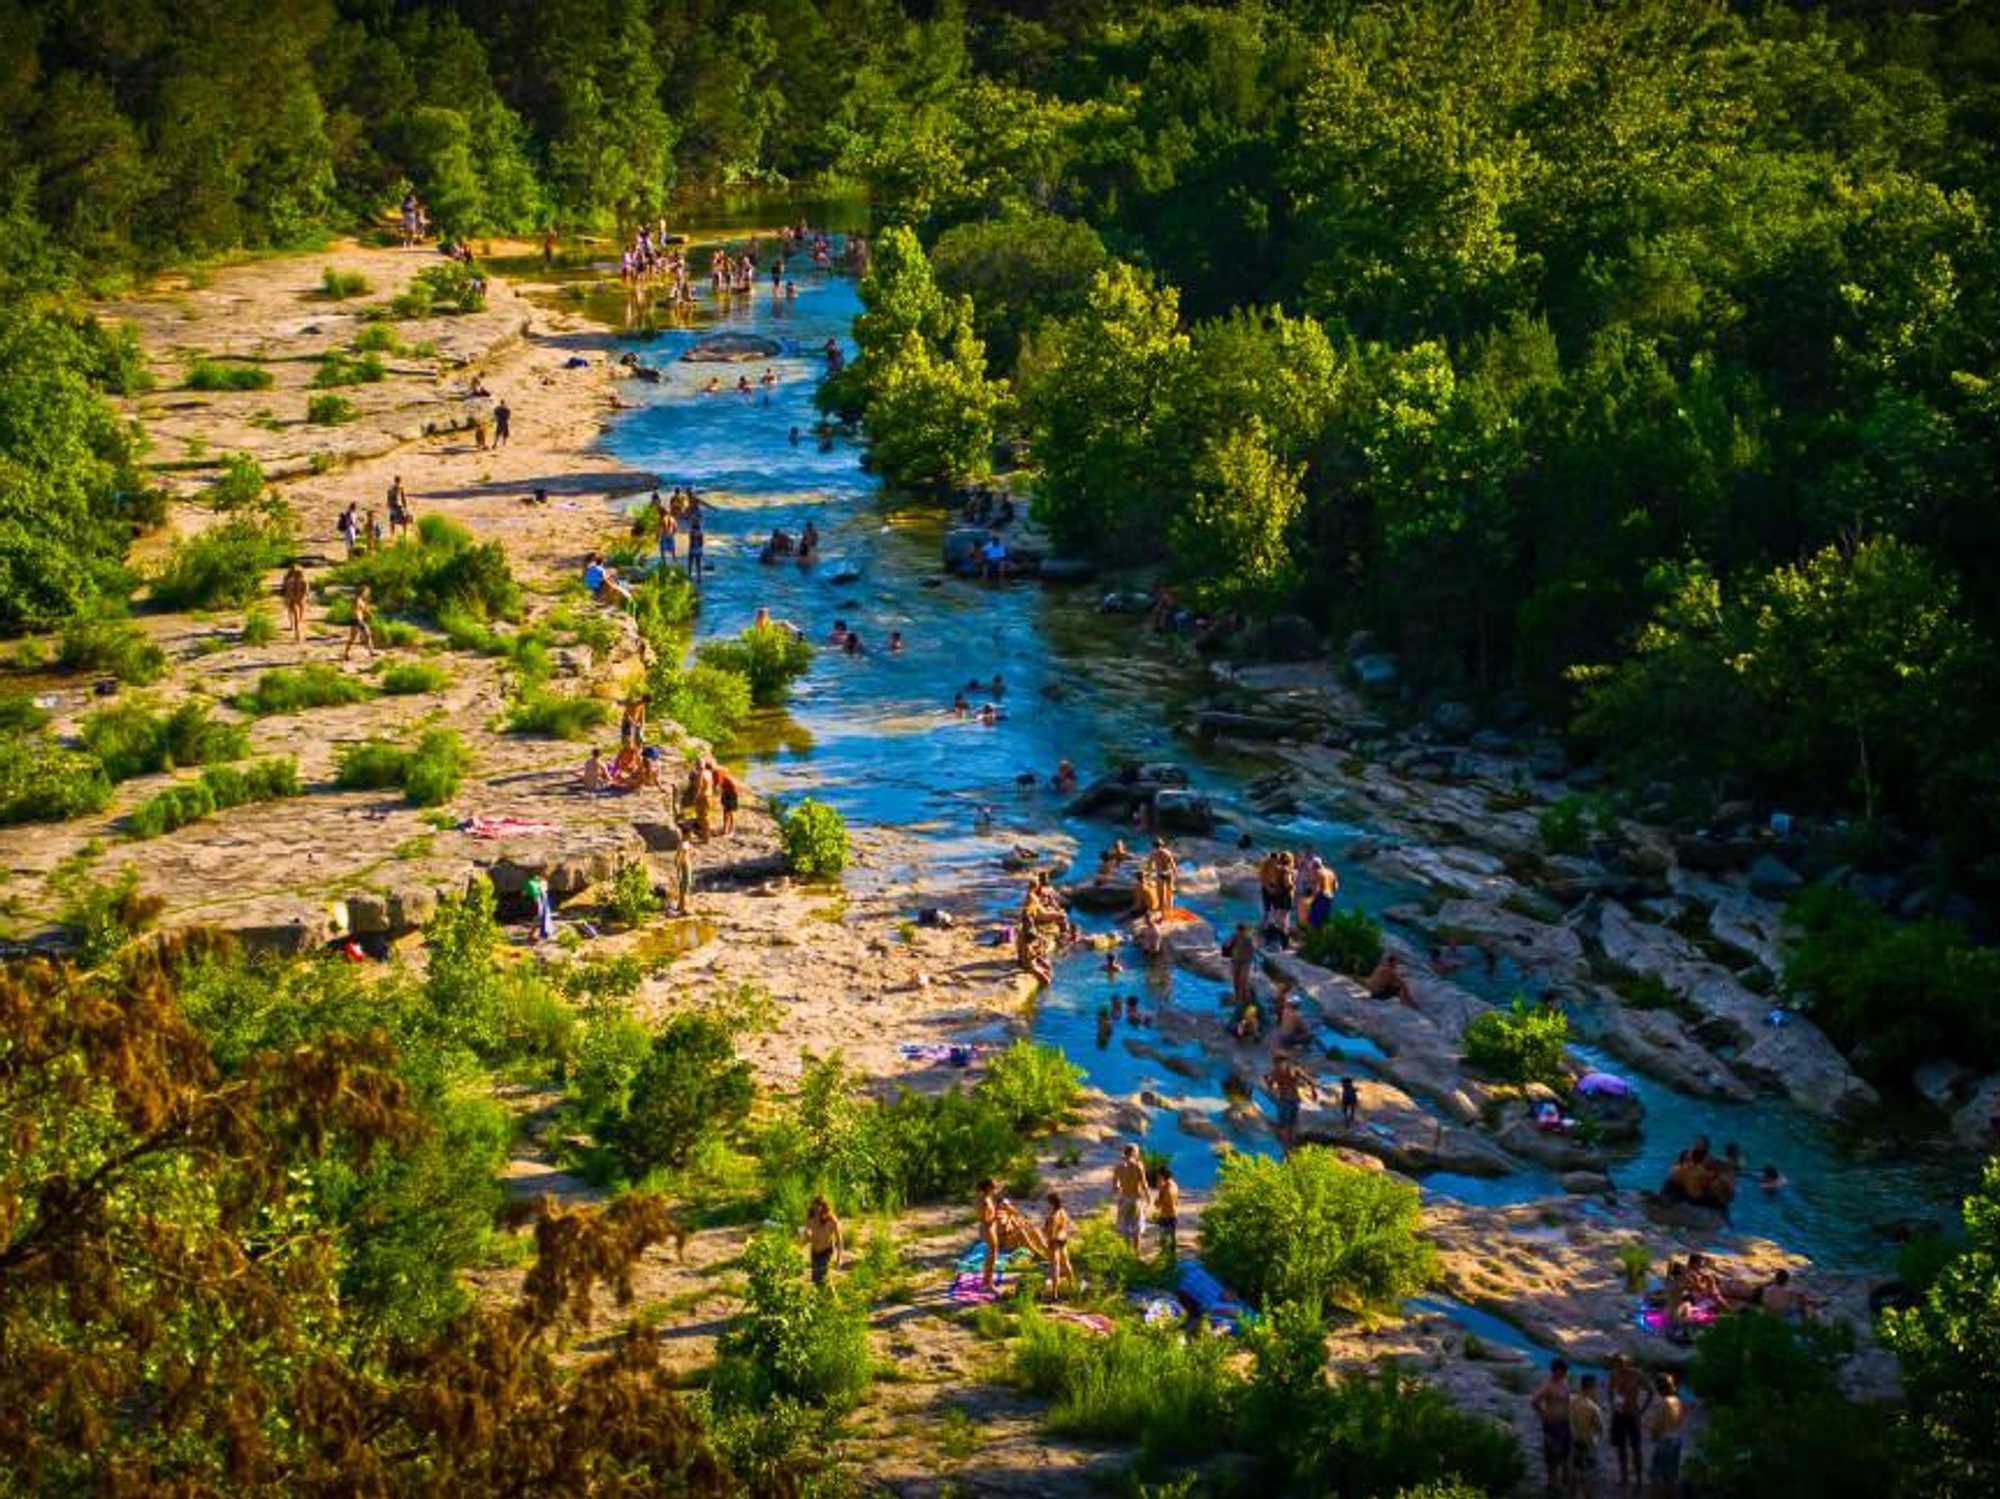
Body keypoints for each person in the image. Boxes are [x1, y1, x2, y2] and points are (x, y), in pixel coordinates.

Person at [1531, 1358, 1574, 1494]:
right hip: (1552, 1424)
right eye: (1562, 1371)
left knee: (1565, 1452)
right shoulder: (1548, 1386)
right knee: (1552, 1455)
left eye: (1565, 1371)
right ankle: (1552, 1482)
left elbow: (1568, 1403)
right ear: (1555, 1371)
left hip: (1565, 1422)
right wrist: (1544, 1414)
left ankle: (1564, 1478)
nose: (1564, 1373)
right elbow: (1534, 1401)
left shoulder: (1565, 1383)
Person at [1607, 1353, 1649, 1491]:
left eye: (1622, 1363)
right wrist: (1613, 1403)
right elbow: (1609, 1390)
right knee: (1621, 1447)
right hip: (1619, 1414)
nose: (1620, 1366)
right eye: (1617, 1363)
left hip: (1633, 1414)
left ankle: (1638, 1480)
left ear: (1628, 1363)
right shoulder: (1614, 1374)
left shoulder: (1637, 1374)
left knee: (1636, 1447)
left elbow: (1650, 1391)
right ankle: (1624, 1477)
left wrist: (1642, 1409)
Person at [1263, 1052, 1319, 1147]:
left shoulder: (1275, 1072)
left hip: (1284, 1099)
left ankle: (1286, 1145)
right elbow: (1311, 1081)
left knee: (1284, 1124)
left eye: (1275, 1062)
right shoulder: (1293, 1069)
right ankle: (1292, 1144)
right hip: (1294, 1099)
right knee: (1292, 1122)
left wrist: (1267, 1081)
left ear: (1277, 1062)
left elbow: (1270, 1087)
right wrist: (1314, 1091)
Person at [1644, 1373, 1684, 1497]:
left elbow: (1657, 1425)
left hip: (1665, 1441)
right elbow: (1681, 1420)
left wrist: (1652, 1434)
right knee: (1671, 1476)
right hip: (1677, 1439)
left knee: (1655, 1476)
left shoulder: (1663, 1403)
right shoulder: (1677, 1400)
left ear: (1660, 1388)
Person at [1570, 1373, 1604, 1498]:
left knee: (1574, 1472)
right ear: (1592, 1387)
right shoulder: (1592, 1407)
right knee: (1589, 1476)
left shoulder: (1571, 1400)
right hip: (1588, 1443)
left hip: (1574, 1441)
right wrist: (1596, 1440)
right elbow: (1600, 1428)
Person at [1112, 1144, 1149, 1252]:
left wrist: (1120, 1188)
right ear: (1133, 1153)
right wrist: (1148, 1197)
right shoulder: (1138, 1166)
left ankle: (1127, 1253)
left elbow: (1115, 1186)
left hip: (1123, 1198)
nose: (1138, 1154)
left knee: (1125, 1228)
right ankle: (1136, 1254)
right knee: (1136, 1229)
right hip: (1135, 1199)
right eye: (1137, 1152)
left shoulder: (1118, 1167)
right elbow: (1144, 1184)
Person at [804, 1196, 843, 1286]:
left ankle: (826, 1296)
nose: (816, 1209)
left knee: (823, 1279)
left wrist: (839, 1258)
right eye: (815, 1206)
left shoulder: (831, 1220)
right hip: (814, 1252)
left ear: (823, 1207)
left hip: (826, 1251)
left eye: (819, 1206)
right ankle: (822, 1297)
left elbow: (839, 1239)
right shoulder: (810, 1219)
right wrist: (806, 1236)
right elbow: (806, 1238)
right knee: (816, 1281)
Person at [1043, 1193, 1076, 1297]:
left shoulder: (1053, 1216)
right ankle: (1072, 1285)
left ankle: (1054, 1293)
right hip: (1063, 1239)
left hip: (1054, 1241)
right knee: (1066, 1264)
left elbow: (1051, 1232)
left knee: (1055, 1267)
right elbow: (1065, 1226)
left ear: (1051, 1202)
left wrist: (1047, 1238)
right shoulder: (1063, 1212)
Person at [1223, 920, 1258, 1008]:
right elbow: (1227, 945)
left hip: (1245, 962)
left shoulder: (1249, 938)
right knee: (1236, 980)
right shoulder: (1235, 936)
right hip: (1236, 961)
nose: (1239, 933)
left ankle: (1241, 998)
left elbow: (1254, 949)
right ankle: (1237, 997)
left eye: (1240, 931)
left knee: (1242, 981)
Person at [977, 1179, 1002, 1290]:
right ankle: (988, 1284)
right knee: (992, 1256)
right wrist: (996, 1217)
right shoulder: (984, 1200)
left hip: (990, 1228)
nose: (995, 1189)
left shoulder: (988, 1199)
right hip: (988, 1229)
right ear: (988, 1187)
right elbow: (984, 1219)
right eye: (994, 1187)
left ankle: (986, 1281)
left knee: (992, 1256)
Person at [1152, 1166, 1180, 1259]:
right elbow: (1176, 1202)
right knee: (1173, 1239)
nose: (1158, 1177)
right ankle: (1173, 1259)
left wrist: (1159, 1189)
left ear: (1162, 1176)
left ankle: (1164, 1259)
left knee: (1163, 1241)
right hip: (1174, 1215)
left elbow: (1157, 1204)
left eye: (1158, 1176)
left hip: (1165, 1216)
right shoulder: (1175, 1185)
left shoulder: (1164, 1188)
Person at [342, 584, 375, 661]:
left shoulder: (360, 600)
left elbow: (364, 610)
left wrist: (369, 614)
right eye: (366, 592)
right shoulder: (357, 600)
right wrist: (360, 620)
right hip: (358, 620)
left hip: (357, 620)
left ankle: (346, 653)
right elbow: (356, 611)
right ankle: (371, 652)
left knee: (353, 638)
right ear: (362, 592)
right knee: (367, 634)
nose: (367, 593)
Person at [280, 561, 309, 644]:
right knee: (297, 616)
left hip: (298, 599)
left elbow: (306, 591)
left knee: (299, 617)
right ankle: (297, 632)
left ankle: (297, 630)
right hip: (295, 599)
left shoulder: (301, 581)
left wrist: (299, 597)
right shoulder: (290, 580)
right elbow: (287, 590)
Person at [672, 836, 694, 915]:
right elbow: (681, 855)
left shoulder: (683, 843)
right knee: (685, 887)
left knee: (683, 887)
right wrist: (678, 865)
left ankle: (680, 906)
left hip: (685, 866)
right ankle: (683, 908)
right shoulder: (684, 844)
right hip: (685, 866)